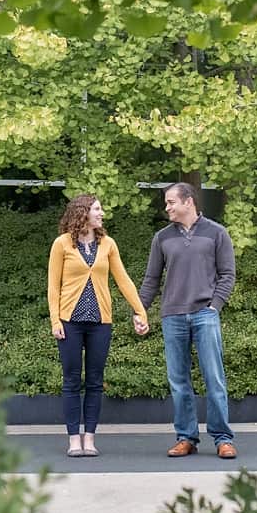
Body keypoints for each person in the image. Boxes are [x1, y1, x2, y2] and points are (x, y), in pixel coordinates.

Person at [138, 181, 238, 459]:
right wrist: (140, 310)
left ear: (188, 202)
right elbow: (151, 279)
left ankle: (223, 438)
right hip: (172, 316)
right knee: (179, 381)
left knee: (214, 379)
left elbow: (228, 274)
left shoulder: (217, 233)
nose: (166, 207)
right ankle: (186, 437)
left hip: (205, 314)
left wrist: (214, 306)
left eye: (171, 202)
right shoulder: (162, 238)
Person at [47, 194, 148, 458]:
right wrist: (55, 319)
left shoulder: (108, 244)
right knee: (70, 382)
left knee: (94, 382)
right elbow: (52, 285)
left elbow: (123, 280)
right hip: (69, 322)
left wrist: (140, 310)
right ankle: (73, 439)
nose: (101, 213)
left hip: (100, 322)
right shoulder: (62, 244)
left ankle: (89, 438)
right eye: (97, 209)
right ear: (82, 212)